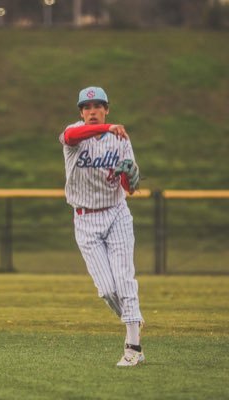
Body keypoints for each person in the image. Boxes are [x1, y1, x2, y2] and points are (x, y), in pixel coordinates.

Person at [59, 86, 144, 367]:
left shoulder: (120, 139)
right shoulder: (74, 134)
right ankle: (134, 318)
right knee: (107, 290)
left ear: (106, 108)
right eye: (86, 107)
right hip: (85, 219)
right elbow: (70, 136)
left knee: (124, 279)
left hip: (116, 213)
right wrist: (108, 127)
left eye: (97, 106)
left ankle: (133, 346)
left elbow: (129, 187)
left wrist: (130, 178)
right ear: (81, 113)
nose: (92, 111)